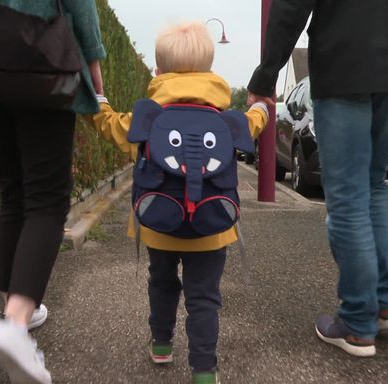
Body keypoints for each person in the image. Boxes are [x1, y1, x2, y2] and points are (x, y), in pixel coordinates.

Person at [248, 0, 388, 357]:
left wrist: (267, 75)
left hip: (341, 68)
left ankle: (357, 322)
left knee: (348, 196)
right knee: (373, 186)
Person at [0, 0, 105, 382]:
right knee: (47, 198)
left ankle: (16, 312)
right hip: (38, 60)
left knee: (14, 191)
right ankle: (15, 325)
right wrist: (93, 59)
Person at [91, 22, 268, 384]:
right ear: (209, 71)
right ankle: (204, 371)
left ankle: (161, 344)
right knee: (204, 297)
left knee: (162, 281)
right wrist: (263, 108)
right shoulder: (225, 120)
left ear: (159, 71)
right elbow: (254, 123)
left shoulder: (148, 118)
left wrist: (99, 100)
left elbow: (110, 126)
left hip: (159, 222)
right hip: (212, 223)